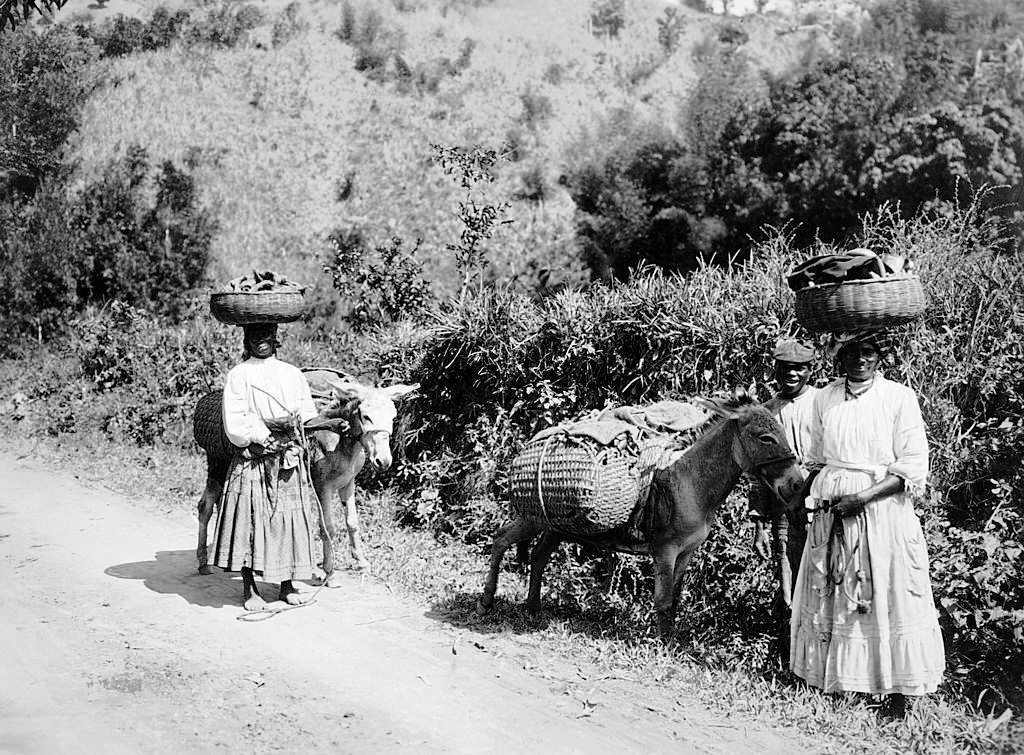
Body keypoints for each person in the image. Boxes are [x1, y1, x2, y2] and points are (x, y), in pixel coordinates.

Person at [789, 331, 945, 718]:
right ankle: (841, 682)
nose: (860, 360)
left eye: (868, 352)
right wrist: (803, 499)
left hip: (881, 510)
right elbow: (818, 457)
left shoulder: (898, 397)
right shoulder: (824, 397)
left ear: (880, 357)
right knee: (835, 592)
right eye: (851, 353)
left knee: (886, 591)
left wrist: (863, 497)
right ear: (838, 358)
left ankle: (896, 692)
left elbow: (911, 466)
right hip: (833, 507)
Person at [211, 322, 320, 610]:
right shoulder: (239, 375)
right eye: (254, 335)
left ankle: (286, 585)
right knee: (250, 521)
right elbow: (236, 422)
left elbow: (306, 414)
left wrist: (313, 428)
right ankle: (250, 589)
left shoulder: (291, 374)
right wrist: (264, 437)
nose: (261, 340)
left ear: (275, 338)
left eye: (266, 335)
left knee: (286, 520)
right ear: (246, 339)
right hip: (253, 456)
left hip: (286, 457)